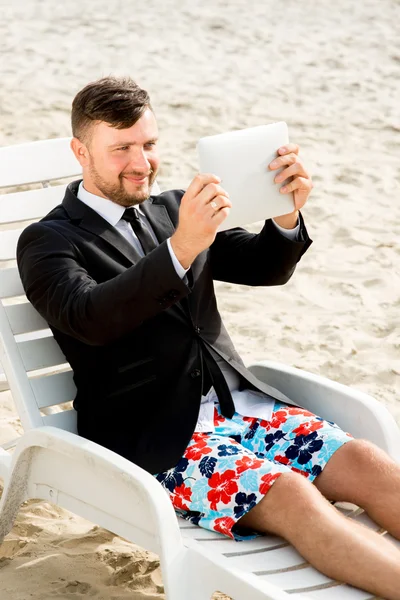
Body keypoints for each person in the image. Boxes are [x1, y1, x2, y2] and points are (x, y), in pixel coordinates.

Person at [16, 77, 400, 599]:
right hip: (157, 437)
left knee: (367, 464)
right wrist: (181, 249)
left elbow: (266, 267)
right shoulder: (47, 241)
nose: (141, 162)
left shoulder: (174, 207)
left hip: (241, 405)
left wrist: (285, 215)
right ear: (80, 151)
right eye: (121, 148)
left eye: (149, 145)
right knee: (292, 495)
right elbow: (90, 317)